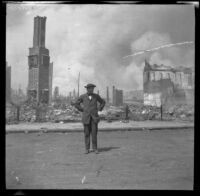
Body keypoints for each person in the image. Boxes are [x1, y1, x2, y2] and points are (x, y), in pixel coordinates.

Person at [74, 83, 105, 154]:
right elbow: (76, 104)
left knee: (94, 134)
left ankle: (95, 148)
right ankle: (87, 149)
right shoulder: (83, 96)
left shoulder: (96, 96)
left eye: (92, 88)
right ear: (87, 89)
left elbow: (103, 102)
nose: (92, 90)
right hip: (86, 118)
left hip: (94, 118)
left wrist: (99, 108)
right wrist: (82, 109)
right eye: (90, 88)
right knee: (87, 134)